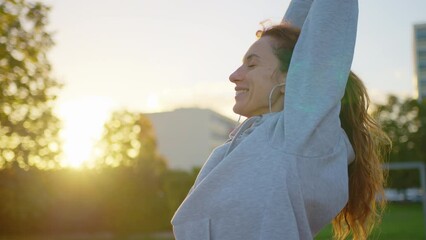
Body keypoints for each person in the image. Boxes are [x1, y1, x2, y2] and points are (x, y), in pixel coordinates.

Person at [172, 0, 390, 239]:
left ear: (291, 78)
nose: (234, 76)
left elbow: (327, 26)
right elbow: (295, 32)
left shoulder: (300, 136)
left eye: (251, 64)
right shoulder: (246, 142)